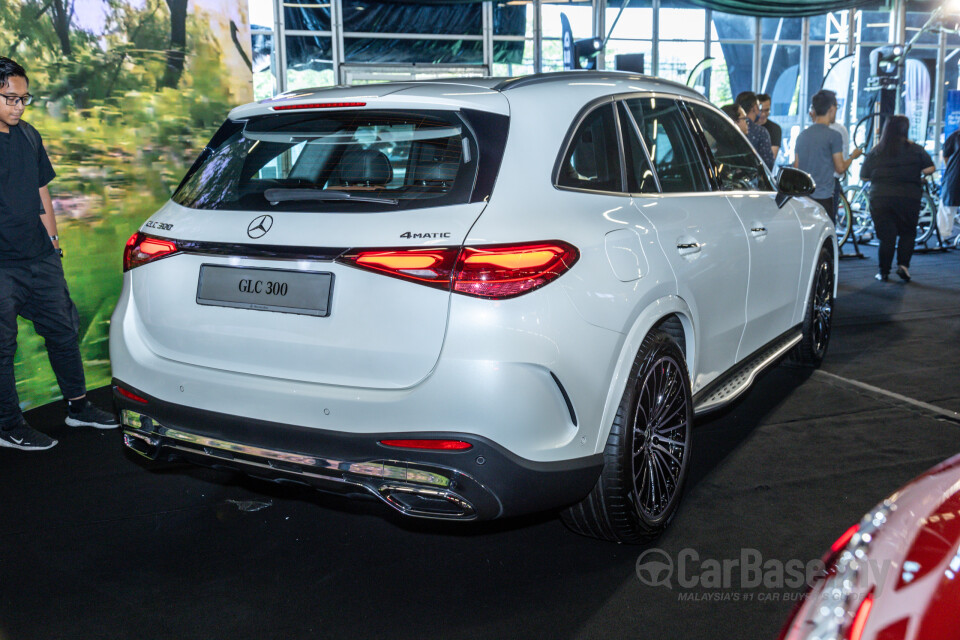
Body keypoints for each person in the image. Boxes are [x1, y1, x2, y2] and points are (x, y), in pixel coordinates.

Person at [0, 56, 118, 451]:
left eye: (23, 99)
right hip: (2, 266)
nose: (17, 106)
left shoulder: (30, 135)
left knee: (64, 331)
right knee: (3, 346)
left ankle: (78, 407)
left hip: (39, 257)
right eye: (9, 98)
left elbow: (41, 191)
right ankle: (8, 425)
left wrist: (53, 242)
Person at [859, 115, 936, 282]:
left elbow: (864, 177)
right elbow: (930, 168)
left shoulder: (877, 150)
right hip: (909, 197)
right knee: (908, 232)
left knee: (887, 236)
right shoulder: (915, 149)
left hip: (881, 197)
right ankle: (903, 266)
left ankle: (883, 271)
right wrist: (918, 173)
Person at [793, 90, 862, 224]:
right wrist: (853, 156)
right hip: (824, 197)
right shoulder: (834, 136)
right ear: (831, 108)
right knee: (826, 238)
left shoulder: (802, 136)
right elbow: (840, 168)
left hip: (804, 199)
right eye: (836, 107)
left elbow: (796, 167)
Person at [736, 91, 775, 170]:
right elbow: (768, 163)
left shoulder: (730, 126)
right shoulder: (760, 132)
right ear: (754, 108)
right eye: (759, 106)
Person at [939, 127, 959, 239]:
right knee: (948, 205)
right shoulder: (955, 137)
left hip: (954, 174)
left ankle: (944, 234)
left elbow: (946, 155)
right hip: (955, 174)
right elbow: (945, 155)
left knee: (948, 206)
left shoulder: (955, 137)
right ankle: (944, 234)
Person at [756, 94, 781, 159]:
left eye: (766, 110)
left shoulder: (775, 129)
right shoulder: (747, 127)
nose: (763, 114)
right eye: (760, 110)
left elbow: (772, 157)